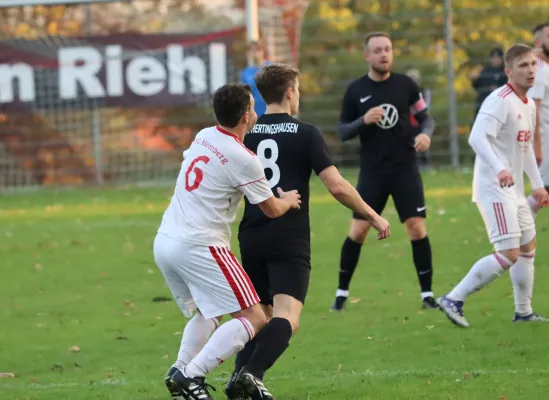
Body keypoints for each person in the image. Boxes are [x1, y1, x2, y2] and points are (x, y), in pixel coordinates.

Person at [223, 63, 391, 400]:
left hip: (252, 233)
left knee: (259, 318)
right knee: (287, 318)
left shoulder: (247, 133)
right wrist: (372, 214)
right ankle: (251, 376)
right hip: (288, 236)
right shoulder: (306, 132)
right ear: (289, 92)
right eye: (297, 90)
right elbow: (337, 186)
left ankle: (237, 379)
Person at [153, 83, 301, 400]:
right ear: (247, 116)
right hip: (200, 246)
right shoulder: (244, 158)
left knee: (208, 313)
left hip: (166, 241)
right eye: (254, 107)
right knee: (255, 317)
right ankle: (191, 377)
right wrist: (288, 200)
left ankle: (179, 371)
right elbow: (272, 209)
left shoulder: (204, 136)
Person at [438, 44, 549, 328]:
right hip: (493, 189)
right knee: (508, 253)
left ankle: (523, 312)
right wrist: (499, 168)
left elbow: (524, 150)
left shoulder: (527, 104)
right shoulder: (500, 100)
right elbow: (476, 138)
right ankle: (453, 298)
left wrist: (537, 185)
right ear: (509, 71)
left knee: (528, 247)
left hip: (513, 191)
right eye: (523, 66)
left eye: (532, 65)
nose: (530, 71)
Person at [330, 32, 437, 312]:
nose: (383, 54)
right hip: (373, 173)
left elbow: (426, 119)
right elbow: (342, 131)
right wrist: (363, 120)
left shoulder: (406, 85)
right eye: (377, 50)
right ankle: (341, 294)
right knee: (358, 230)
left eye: (387, 49)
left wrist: (425, 135)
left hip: (405, 169)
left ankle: (427, 295)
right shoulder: (355, 91)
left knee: (416, 228)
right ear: (367, 55)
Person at [527, 22, 549, 216]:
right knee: (544, 192)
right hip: (546, 137)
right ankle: (511, 236)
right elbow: (534, 106)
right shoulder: (539, 69)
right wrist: (538, 144)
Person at [471, 47, 508, 118]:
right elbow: (477, 86)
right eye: (494, 57)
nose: (496, 60)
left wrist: (497, 89)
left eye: (498, 57)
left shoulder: (505, 72)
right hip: (484, 103)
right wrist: (474, 79)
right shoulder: (485, 71)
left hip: (498, 104)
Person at [241, 41, 268, 117]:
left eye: (257, 50)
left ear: (262, 51)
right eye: (252, 51)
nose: (254, 53)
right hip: (254, 115)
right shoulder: (245, 73)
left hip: (270, 113)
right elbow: (245, 96)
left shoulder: (271, 69)